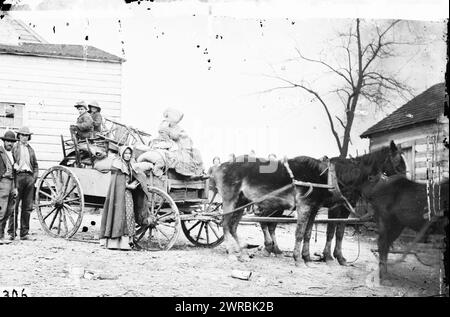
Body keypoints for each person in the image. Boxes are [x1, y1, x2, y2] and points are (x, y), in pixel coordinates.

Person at [99, 146, 139, 250]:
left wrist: (135, 182)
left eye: (129, 153)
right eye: (125, 153)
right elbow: (117, 182)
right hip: (118, 195)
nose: (127, 155)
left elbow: (135, 177)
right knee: (119, 215)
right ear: (122, 154)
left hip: (127, 194)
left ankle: (126, 242)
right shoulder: (117, 165)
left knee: (129, 215)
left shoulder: (130, 164)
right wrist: (128, 186)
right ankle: (115, 243)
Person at [9, 127, 39, 241]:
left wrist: (34, 177)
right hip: (18, 177)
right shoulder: (14, 148)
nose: (24, 137)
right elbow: (10, 162)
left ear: (29, 137)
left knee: (27, 207)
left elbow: (35, 165)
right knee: (14, 206)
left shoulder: (31, 149)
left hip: (29, 178)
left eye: (26, 136)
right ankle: (12, 232)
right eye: (22, 135)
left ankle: (24, 233)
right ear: (19, 136)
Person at [0, 131, 18, 245]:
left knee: (9, 210)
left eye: (12, 142)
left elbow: (15, 172)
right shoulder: (0, 152)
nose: (10, 144)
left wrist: (15, 187)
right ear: (3, 141)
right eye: (8, 141)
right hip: (2, 182)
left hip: (12, 183)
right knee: (1, 209)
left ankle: (1, 235)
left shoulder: (13, 155)